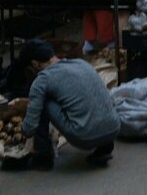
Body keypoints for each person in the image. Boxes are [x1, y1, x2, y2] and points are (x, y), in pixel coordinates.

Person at [19, 39, 121, 170]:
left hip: (84, 136)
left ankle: (43, 158)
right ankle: (105, 147)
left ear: (34, 64)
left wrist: (22, 130)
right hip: (114, 128)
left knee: (42, 101)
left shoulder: (43, 79)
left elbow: (29, 128)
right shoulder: (81, 63)